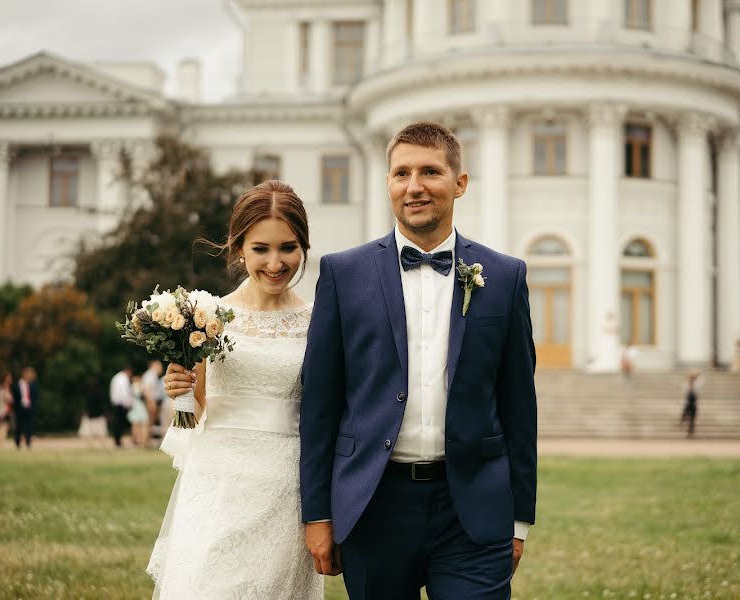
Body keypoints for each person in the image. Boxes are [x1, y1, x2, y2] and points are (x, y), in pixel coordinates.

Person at [300, 122, 538, 599]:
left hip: (472, 509)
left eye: (430, 171)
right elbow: (320, 403)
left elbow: (518, 406)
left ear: (460, 183)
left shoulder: (505, 276)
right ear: (387, 182)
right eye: (401, 173)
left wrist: (518, 520)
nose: (414, 187)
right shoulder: (342, 274)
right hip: (374, 504)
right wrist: (318, 513)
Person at [151, 181, 322, 599]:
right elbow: (198, 404)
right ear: (239, 247)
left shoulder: (317, 321)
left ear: (303, 247)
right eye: (261, 248)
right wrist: (180, 389)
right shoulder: (208, 316)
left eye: (288, 247)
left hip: (285, 485)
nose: (276, 262)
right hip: (218, 479)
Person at [11, 366, 38, 449]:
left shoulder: (32, 385)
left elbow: (35, 397)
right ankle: (18, 443)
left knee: (29, 426)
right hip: (20, 408)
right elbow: (14, 398)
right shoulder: (16, 385)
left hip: (29, 408)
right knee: (19, 426)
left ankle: (28, 443)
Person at [109, 365, 133, 448]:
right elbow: (124, 393)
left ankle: (117, 440)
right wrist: (128, 404)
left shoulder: (116, 377)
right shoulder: (124, 379)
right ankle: (118, 441)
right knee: (119, 423)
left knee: (117, 423)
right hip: (121, 404)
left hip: (116, 403)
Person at [141, 360, 166, 436]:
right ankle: (144, 441)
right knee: (149, 421)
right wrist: (151, 402)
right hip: (151, 400)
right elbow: (147, 389)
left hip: (151, 400)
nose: (161, 368)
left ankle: (145, 441)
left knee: (150, 421)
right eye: (159, 366)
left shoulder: (151, 375)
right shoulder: (150, 375)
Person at [127, 374, 150, 448]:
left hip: (135, 407)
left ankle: (137, 441)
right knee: (142, 426)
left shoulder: (132, 387)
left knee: (135, 426)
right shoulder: (141, 386)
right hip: (139, 407)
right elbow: (146, 397)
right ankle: (142, 442)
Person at [680, 370, 702, 437]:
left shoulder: (696, 385)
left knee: (692, 419)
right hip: (688, 403)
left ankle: (690, 431)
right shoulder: (686, 384)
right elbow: (685, 393)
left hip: (693, 403)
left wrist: (697, 375)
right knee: (686, 415)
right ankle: (684, 422)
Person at [0, 372, 13, 443]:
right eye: (9, 377)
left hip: (8, 408)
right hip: (3, 408)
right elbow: (3, 398)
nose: (10, 379)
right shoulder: (1, 387)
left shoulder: (9, 387)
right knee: (1, 423)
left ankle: (3, 438)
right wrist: (11, 399)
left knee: (6, 424)